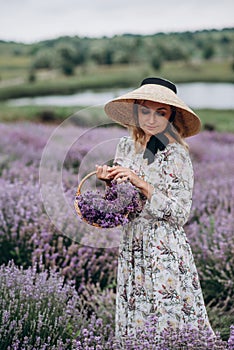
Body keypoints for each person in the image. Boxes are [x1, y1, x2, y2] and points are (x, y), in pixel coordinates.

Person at [96, 77, 214, 343]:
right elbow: (122, 206)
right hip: (132, 245)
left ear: (172, 117)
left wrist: (142, 183)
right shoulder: (125, 147)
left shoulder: (176, 154)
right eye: (146, 111)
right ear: (137, 111)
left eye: (160, 113)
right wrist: (109, 184)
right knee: (137, 323)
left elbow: (179, 214)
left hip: (163, 247)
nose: (151, 119)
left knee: (169, 322)